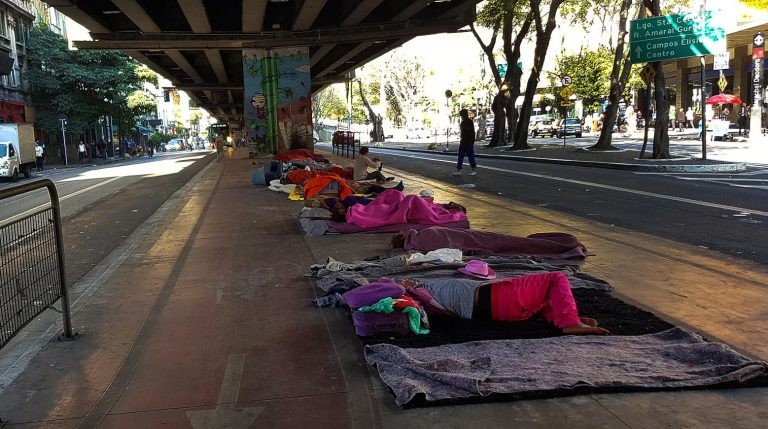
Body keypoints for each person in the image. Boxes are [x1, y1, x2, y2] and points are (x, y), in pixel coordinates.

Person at [399, 269, 609, 336]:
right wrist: (407, 286)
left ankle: (566, 319)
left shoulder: (421, 292)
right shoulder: (415, 292)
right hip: (493, 298)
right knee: (557, 278)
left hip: (495, 308)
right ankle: (568, 321)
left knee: (544, 297)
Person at [452, 108, 477, 176]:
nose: (461, 117)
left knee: (470, 155)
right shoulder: (463, 122)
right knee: (461, 156)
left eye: (462, 115)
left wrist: (472, 141)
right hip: (463, 141)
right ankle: (459, 170)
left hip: (468, 141)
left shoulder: (469, 122)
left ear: (465, 115)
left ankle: (473, 170)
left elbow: (472, 132)